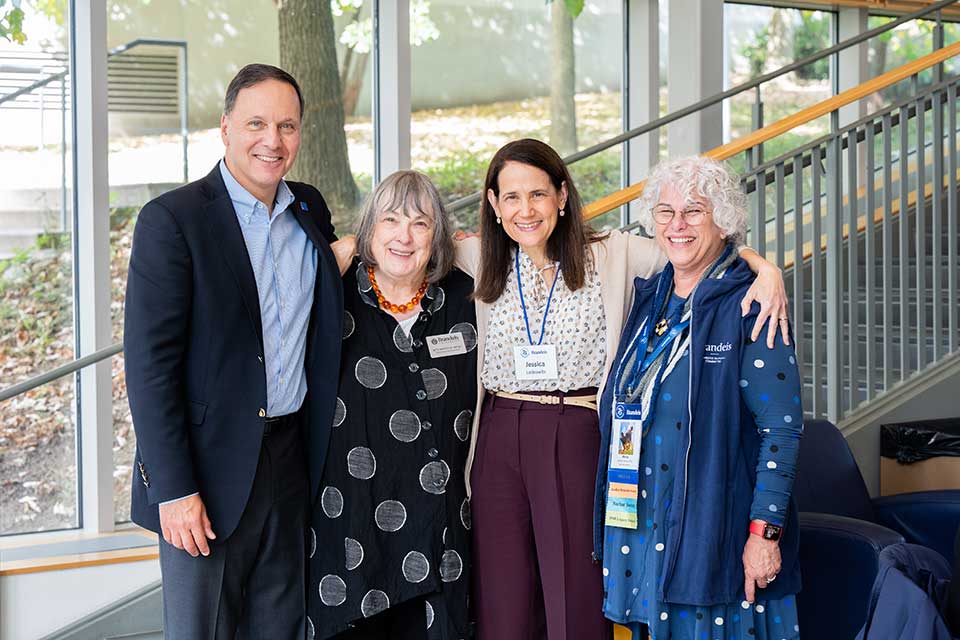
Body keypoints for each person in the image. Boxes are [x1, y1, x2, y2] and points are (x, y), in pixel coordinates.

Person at [452, 139, 790, 640]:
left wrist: (766, 269)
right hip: (499, 432)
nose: (526, 210)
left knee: (575, 595)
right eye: (511, 197)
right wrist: (345, 245)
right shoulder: (479, 256)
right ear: (493, 204)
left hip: (575, 429)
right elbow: (406, 244)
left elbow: (697, 245)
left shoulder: (612, 253)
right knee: (503, 598)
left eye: (539, 194)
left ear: (562, 196)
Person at [124, 63, 346, 639]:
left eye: (288, 126)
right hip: (205, 474)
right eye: (256, 123)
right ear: (225, 128)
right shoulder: (173, 221)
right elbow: (150, 370)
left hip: (291, 461)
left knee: (281, 627)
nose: (272, 141)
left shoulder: (309, 210)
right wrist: (173, 490)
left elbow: (350, 268)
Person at [594, 156, 802, 640]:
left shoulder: (751, 303)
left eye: (694, 211)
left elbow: (781, 430)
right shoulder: (652, 296)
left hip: (714, 527)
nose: (678, 225)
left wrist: (764, 536)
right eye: (665, 213)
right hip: (642, 516)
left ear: (723, 220)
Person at [309, 171, 476, 640]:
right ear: (368, 231)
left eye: (420, 224)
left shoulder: (466, 299)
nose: (404, 236)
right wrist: (328, 259)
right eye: (390, 220)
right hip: (355, 534)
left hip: (443, 531)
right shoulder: (330, 295)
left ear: (438, 237)